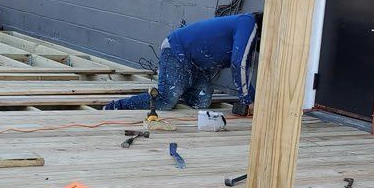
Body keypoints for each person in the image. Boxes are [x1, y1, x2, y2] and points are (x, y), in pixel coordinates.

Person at [104, 12, 259, 114]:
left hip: (197, 66)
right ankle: (115, 106)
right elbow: (239, 64)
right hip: (176, 51)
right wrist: (248, 100)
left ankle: (179, 86)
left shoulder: (250, 30)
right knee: (166, 101)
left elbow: (244, 69)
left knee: (202, 102)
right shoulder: (248, 23)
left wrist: (253, 99)